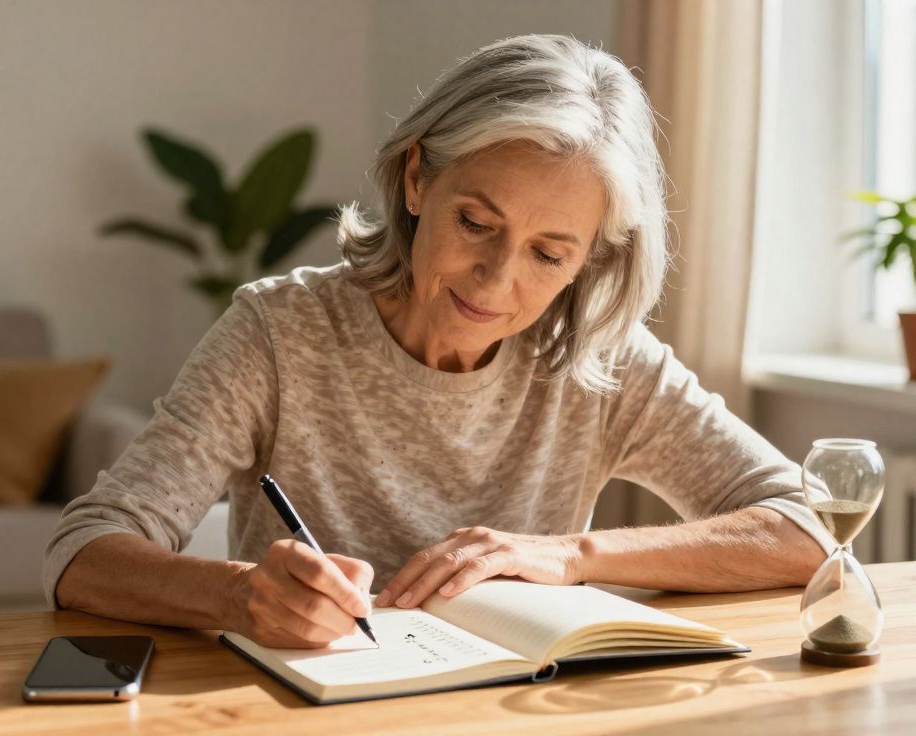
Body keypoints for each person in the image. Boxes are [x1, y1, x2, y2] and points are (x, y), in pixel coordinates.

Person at [45, 34, 837, 649]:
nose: (495, 282)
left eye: (548, 254)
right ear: (418, 180)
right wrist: (237, 594)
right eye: (476, 224)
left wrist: (575, 556)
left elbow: (811, 527)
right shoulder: (279, 333)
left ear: (589, 258)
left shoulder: (599, 358)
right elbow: (83, 550)